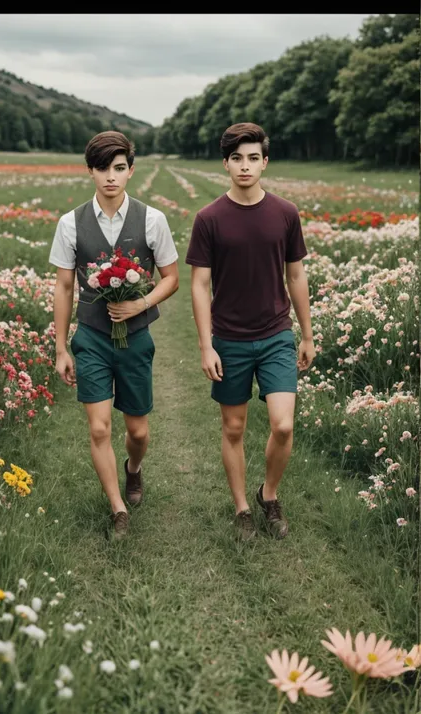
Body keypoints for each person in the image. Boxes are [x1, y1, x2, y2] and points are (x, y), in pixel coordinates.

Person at [185, 122, 315, 541]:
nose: (245, 166)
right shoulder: (208, 219)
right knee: (234, 428)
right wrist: (206, 346)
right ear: (225, 163)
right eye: (237, 158)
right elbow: (200, 286)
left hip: (277, 334)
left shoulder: (285, 213)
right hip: (229, 338)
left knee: (283, 425)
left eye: (253, 158)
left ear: (265, 162)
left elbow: (295, 275)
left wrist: (307, 335)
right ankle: (242, 508)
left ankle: (268, 494)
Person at [49, 130, 179, 539]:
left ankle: (133, 469)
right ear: (90, 171)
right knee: (101, 428)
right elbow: (65, 287)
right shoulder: (70, 224)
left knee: (137, 431)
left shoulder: (153, 219)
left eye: (118, 168)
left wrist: (139, 304)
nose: (110, 176)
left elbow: (171, 278)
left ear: (130, 171)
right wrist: (60, 347)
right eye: (102, 168)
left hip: (136, 335)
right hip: (90, 337)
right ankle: (118, 508)